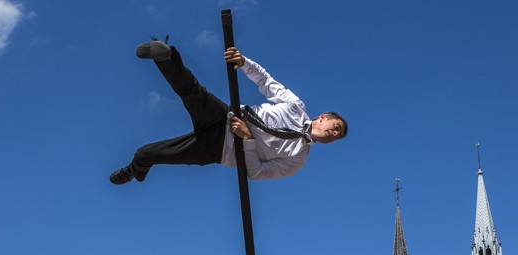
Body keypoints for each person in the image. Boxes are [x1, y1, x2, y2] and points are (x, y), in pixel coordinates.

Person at [110, 40, 346, 186]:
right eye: (336, 126)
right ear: (323, 117)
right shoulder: (296, 106)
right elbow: (266, 82)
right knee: (193, 91)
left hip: (220, 150)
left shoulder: (297, 160)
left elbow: (256, 173)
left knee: (149, 152)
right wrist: (243, 62)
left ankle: (135, 169)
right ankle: (166, 57)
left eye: (338, 135)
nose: (335, 133)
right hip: (226, 117)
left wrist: (248, 139)